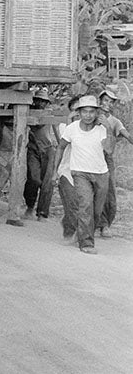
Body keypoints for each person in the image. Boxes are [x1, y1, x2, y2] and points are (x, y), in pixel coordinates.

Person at [54, 95, 109, 254]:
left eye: (92, 111)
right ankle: (86, 243)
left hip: (101, 173)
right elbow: (60, 147)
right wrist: (54, 172)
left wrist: (109, 131)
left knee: (96, 211)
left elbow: (110, 149)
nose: (88, 115)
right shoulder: (71, 128)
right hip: (79, 173)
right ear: (79, 112)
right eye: (84, 111)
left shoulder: (102, 129)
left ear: (96, 113)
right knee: (85, 206)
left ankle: (85, 232)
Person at [97, 88, 133, 238]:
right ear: (100, 101)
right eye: (106, 100)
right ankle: (90, 223)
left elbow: (126, 135)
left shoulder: (114, 121)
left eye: (111, 102)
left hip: (106, 158)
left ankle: (105, 225)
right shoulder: (91, 116)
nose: (108, 104)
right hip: (89, 157)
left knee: (109, 191)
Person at [23, 88, 57, 220]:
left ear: (47, 103)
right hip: (33, 149)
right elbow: (33, 126)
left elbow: (55, 129)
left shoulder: (50, 114)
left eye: (44, 101)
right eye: (38, 101)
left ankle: (42, 212)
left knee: (47, 183)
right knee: (34, 179)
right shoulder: (29, 112)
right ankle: (30, 206)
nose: (41, 104)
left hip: (48, 149)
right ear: (34, 101)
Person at [56, 96, 80, 244]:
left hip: (84, 171)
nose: (78, 113)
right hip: (66, 170)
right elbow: (65, 140)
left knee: (81, 204)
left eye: (81, 110)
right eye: (75, 110)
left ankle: (69, 224)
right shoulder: (63, 126)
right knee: (71, 204)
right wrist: (70, 121)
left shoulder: (90, 129)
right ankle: (70, 232)